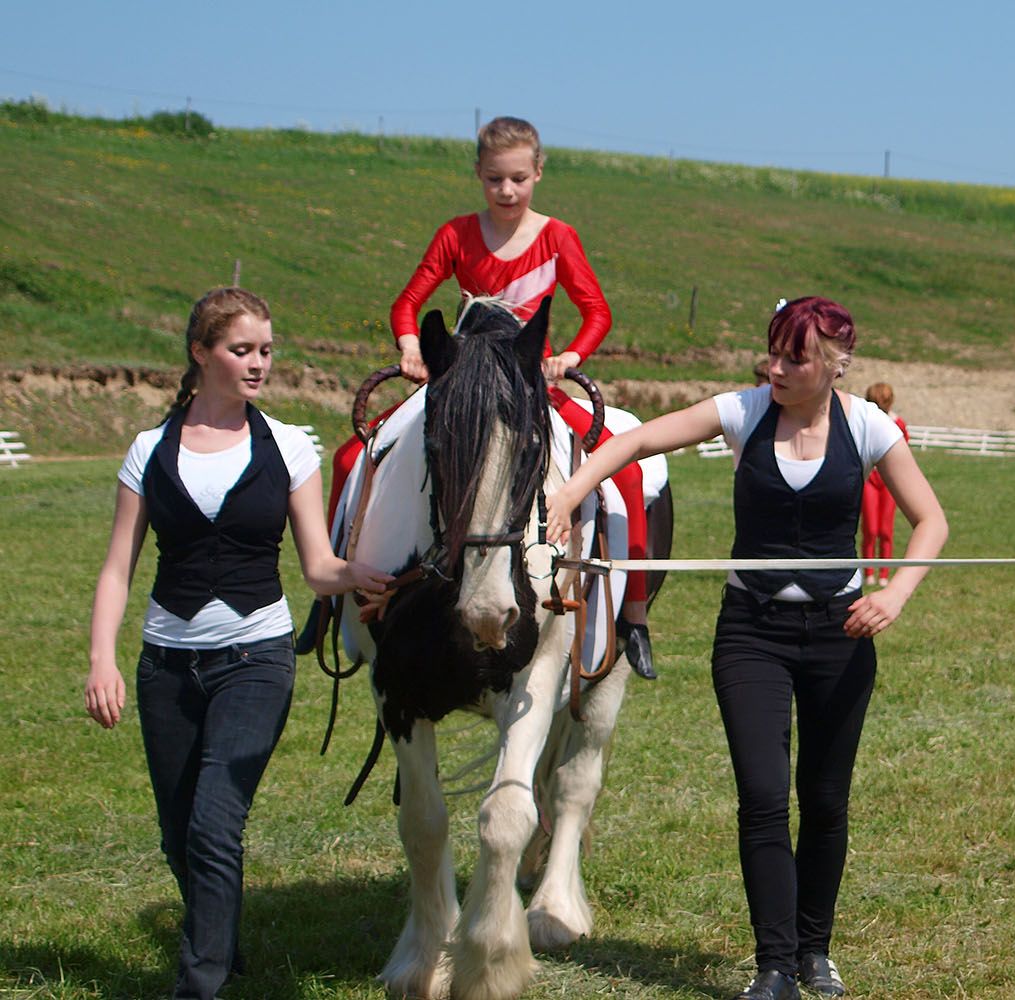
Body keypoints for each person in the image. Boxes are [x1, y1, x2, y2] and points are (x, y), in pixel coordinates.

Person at [547, 297, 948, 1000]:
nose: (775, 367)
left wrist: (892, 596)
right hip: (751, 634)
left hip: (839, 637)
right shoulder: (743, 410)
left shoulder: (868, 426)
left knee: (825, 801)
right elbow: (637, 443)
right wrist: (572, 488)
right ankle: (773, 967)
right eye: (773, 353)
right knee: (763, 797)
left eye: (794, 357)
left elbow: (931, 522)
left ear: (833, 365)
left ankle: (814, 954)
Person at [84, 287, 392, 1000]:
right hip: (166, 665)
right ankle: (218, 940)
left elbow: (318, 566)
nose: (259, 364)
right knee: (178, 835)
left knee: (216, 822)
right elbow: (115, 568)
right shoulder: (148, 450)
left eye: (266, 351)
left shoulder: (287, 445)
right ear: (201, 354)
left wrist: (360, 576)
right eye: (242, 350)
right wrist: (104, 659)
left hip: (256, 659)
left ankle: (200, 984)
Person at [326, 115, 658, 676]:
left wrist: (568, 358)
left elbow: (597, 312)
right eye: (495, 180)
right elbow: (408, 302)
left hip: (532, 387)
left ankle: (635, 618)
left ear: (538, 174)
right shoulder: (456, 234)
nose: (507, 191)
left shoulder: (557, 237)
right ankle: (332, 600)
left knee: (626, 473)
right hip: (463, 385)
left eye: (519, 179)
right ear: (478, 175)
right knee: (349, 456)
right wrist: (411, 346)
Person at [859, 382, 909, 587]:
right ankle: (868, 570)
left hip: (889, 482)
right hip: (869, 480)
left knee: (885, 530)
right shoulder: (864, 422)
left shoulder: (898, 424)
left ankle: (884, 573)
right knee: (870, 528)